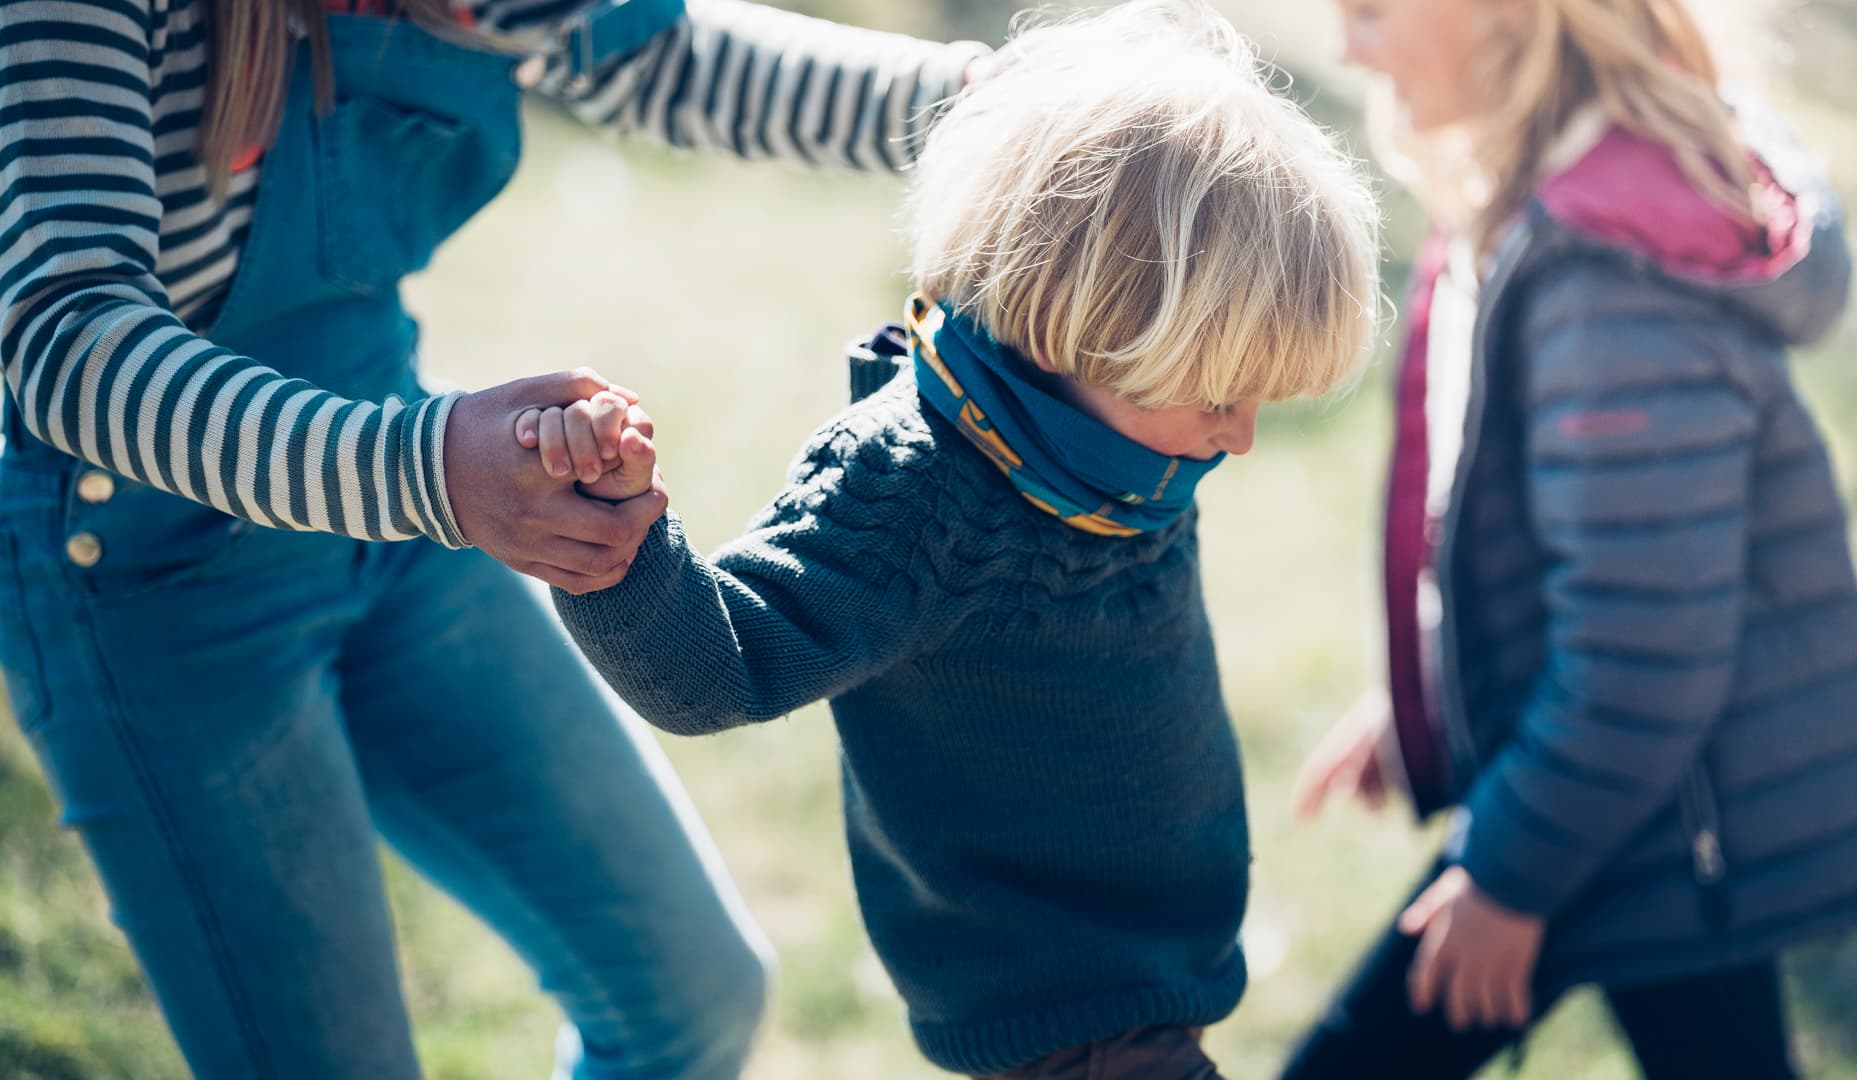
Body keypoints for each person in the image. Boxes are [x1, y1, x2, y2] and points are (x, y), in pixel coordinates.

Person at [0, 1, 990, 1077]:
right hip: (151, 581)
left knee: (694, 997)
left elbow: (653, 54)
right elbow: (67, 332)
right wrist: (428, 470)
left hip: (392, 503)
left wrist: (992, 106)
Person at [530, 3, 1382, 1075]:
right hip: (1063, 1028)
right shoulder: (920, 493)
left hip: (1156, 984)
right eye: (1223, 396)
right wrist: (611, 537)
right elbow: (717, 669)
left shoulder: (1129, 439)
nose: (1243, 439)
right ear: (1089, 323)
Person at [1282, 1, 1857, 1077]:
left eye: (1372, 10)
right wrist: (1431, 697)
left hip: (1640, 827)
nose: (1345, 44)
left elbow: (1646, 649)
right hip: (1630, 809)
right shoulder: (1549, 213)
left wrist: (1511, 876)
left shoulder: (1605, 281)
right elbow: (1551, 553)